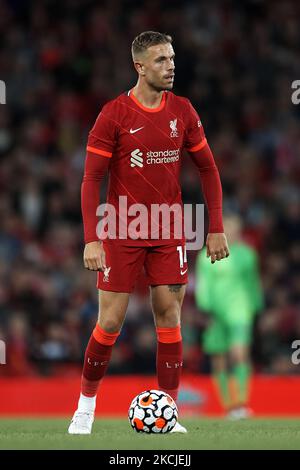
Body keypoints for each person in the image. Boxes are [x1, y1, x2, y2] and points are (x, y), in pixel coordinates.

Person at [68, 31, 229, 434]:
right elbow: (91, 179)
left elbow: (208, 169)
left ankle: (169, 412)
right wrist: (91, 238)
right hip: (122, 227)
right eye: (161, 60)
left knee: (170, 316)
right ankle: (85, 408)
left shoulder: (184, 111)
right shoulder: (114, 114)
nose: (171, 65)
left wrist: (216, 228)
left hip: (170, 227)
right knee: (110, 322)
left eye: (172, 58)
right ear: (139, 66)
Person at [195, 214, 264, 419]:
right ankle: (229, 406)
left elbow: (253, 282)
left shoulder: (248, 255)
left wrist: (255, 306)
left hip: (240, 310)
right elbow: (203, 284)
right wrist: (205, 307)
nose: (231, 233)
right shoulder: (206, 255)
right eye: (227, 228)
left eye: (234, 229)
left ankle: (242, 403)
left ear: (239, 231)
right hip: (216, 313)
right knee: (219, 359)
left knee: (239, 353)